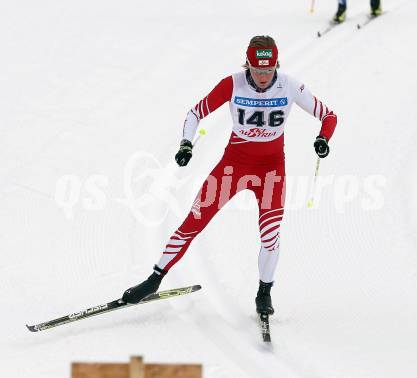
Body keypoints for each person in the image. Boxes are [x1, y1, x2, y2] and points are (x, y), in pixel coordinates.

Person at [121, 35, 338, 316]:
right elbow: (195, 113)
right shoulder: (233, 83)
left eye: (268, 71)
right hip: (233, 166)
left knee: (270, 236)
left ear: (277, 66)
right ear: (247, 65)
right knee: (193, 221)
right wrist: (186, 144)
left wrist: (323, 139)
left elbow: (329, 116)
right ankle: (154, 280)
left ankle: (264, 293)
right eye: (257, 70)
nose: (262, 77)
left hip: (271, 170)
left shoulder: (290, 85)